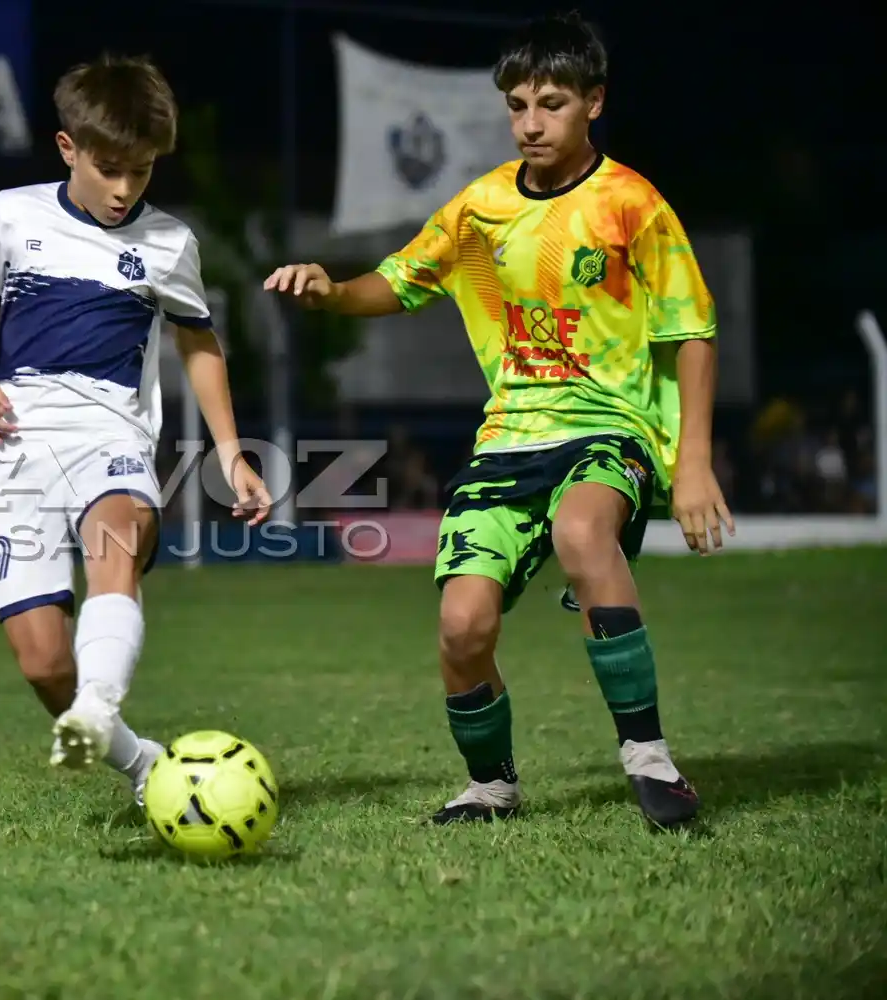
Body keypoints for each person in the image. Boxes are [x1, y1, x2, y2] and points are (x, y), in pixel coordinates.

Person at [263, 12, 733, 828]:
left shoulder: (631, 204)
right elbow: (401, 279)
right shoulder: (479, 208)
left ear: (595, 102)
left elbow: (691, 332)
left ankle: (651, 761)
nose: (530, 122)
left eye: (550, 103)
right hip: (509, 440)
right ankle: (492, 785)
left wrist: (691, 463)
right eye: (517, 104)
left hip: (606, 428)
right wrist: (334, 291)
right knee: (461, 624)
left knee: (583, 537)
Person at [0, 54, 271, 806]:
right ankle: (137, 760)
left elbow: (198, 341)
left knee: (114, 541)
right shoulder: (12, 213)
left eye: (143, 171)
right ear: (68, 149)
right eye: (109, 168)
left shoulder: (168, 244)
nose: (125, 188)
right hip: (12, 442)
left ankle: (97, 704)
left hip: (111, 435)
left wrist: (231, 452)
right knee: (41, 665)